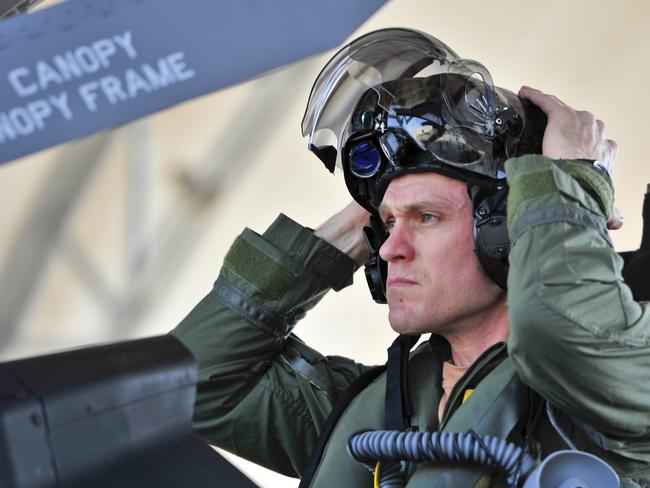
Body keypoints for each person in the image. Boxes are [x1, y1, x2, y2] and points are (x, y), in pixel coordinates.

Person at [170, 29, 649, 486]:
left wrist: (569, 182)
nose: (388, 249)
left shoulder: (623, 372)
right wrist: (362, 215)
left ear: (505, 229)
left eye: (427, 218)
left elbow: (563, 329)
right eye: (387, 224)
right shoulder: (379, 411)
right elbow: (193, 382)